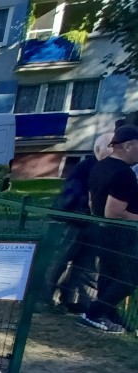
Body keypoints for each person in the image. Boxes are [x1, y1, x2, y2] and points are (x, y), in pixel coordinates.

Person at [80, 125, 138, 333]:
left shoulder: (100, 166)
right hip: (118, 233)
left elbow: (90, 200)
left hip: (100, 230)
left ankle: (108, 315)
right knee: (129, 277)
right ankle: (94, 313)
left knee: (109, 275)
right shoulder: (124, 174)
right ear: (129, 146)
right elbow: (114, 212)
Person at [49, 132, 110, 314]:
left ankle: (77, 301)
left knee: (86, 265)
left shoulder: (105, 167)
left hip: (92, 223)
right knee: (59, 260)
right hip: (73, 221)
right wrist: (82, 206)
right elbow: (70, 194)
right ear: (99, 149)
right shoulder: (87, 167)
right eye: (110, 147)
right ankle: (43, 298)